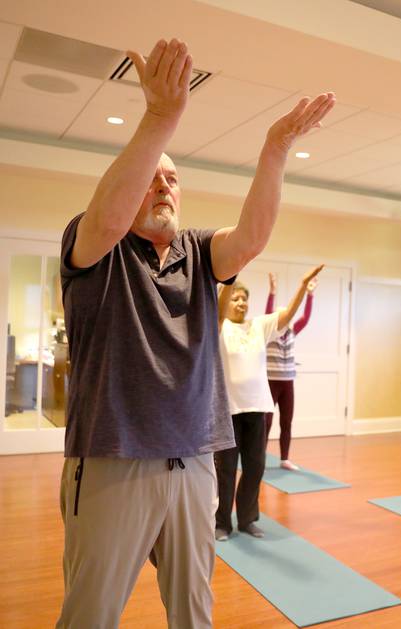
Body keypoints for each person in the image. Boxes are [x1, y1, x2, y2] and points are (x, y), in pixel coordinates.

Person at [56, 37, 334, 628]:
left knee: (194, 613)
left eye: (173, 179)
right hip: (112, 461)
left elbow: (251, 237)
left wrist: (276, 149)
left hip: (194, 461)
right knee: (91, 616)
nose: (164, 187)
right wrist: (160, 118)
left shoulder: (197, 251)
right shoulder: (95, 244)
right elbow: (107, 216)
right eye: (152, 179)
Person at [215, 267, 323, 541]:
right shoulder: (219, 326)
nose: (241, 303)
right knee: (225, 470)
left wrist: (302, 285)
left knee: (255, 466)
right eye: (235, 298)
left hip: (257, 408)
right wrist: (229, 273)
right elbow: (218, 307)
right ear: (226, 301)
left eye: (244, 298)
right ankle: (222, 523)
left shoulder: (258, 326)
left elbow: (288, 316)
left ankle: (248, 519)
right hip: (227, 412)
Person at [264, 271, 317, 470]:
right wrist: (272, 291)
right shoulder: (269, 333)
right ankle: (259, 457)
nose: (285, 318)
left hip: (288, 383)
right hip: (270, 383)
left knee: (287, 422)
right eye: (281, 315)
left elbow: (306, 316)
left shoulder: (293, 331)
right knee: (266, 423)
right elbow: (269, 311)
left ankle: (285, 458)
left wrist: (310, 294)